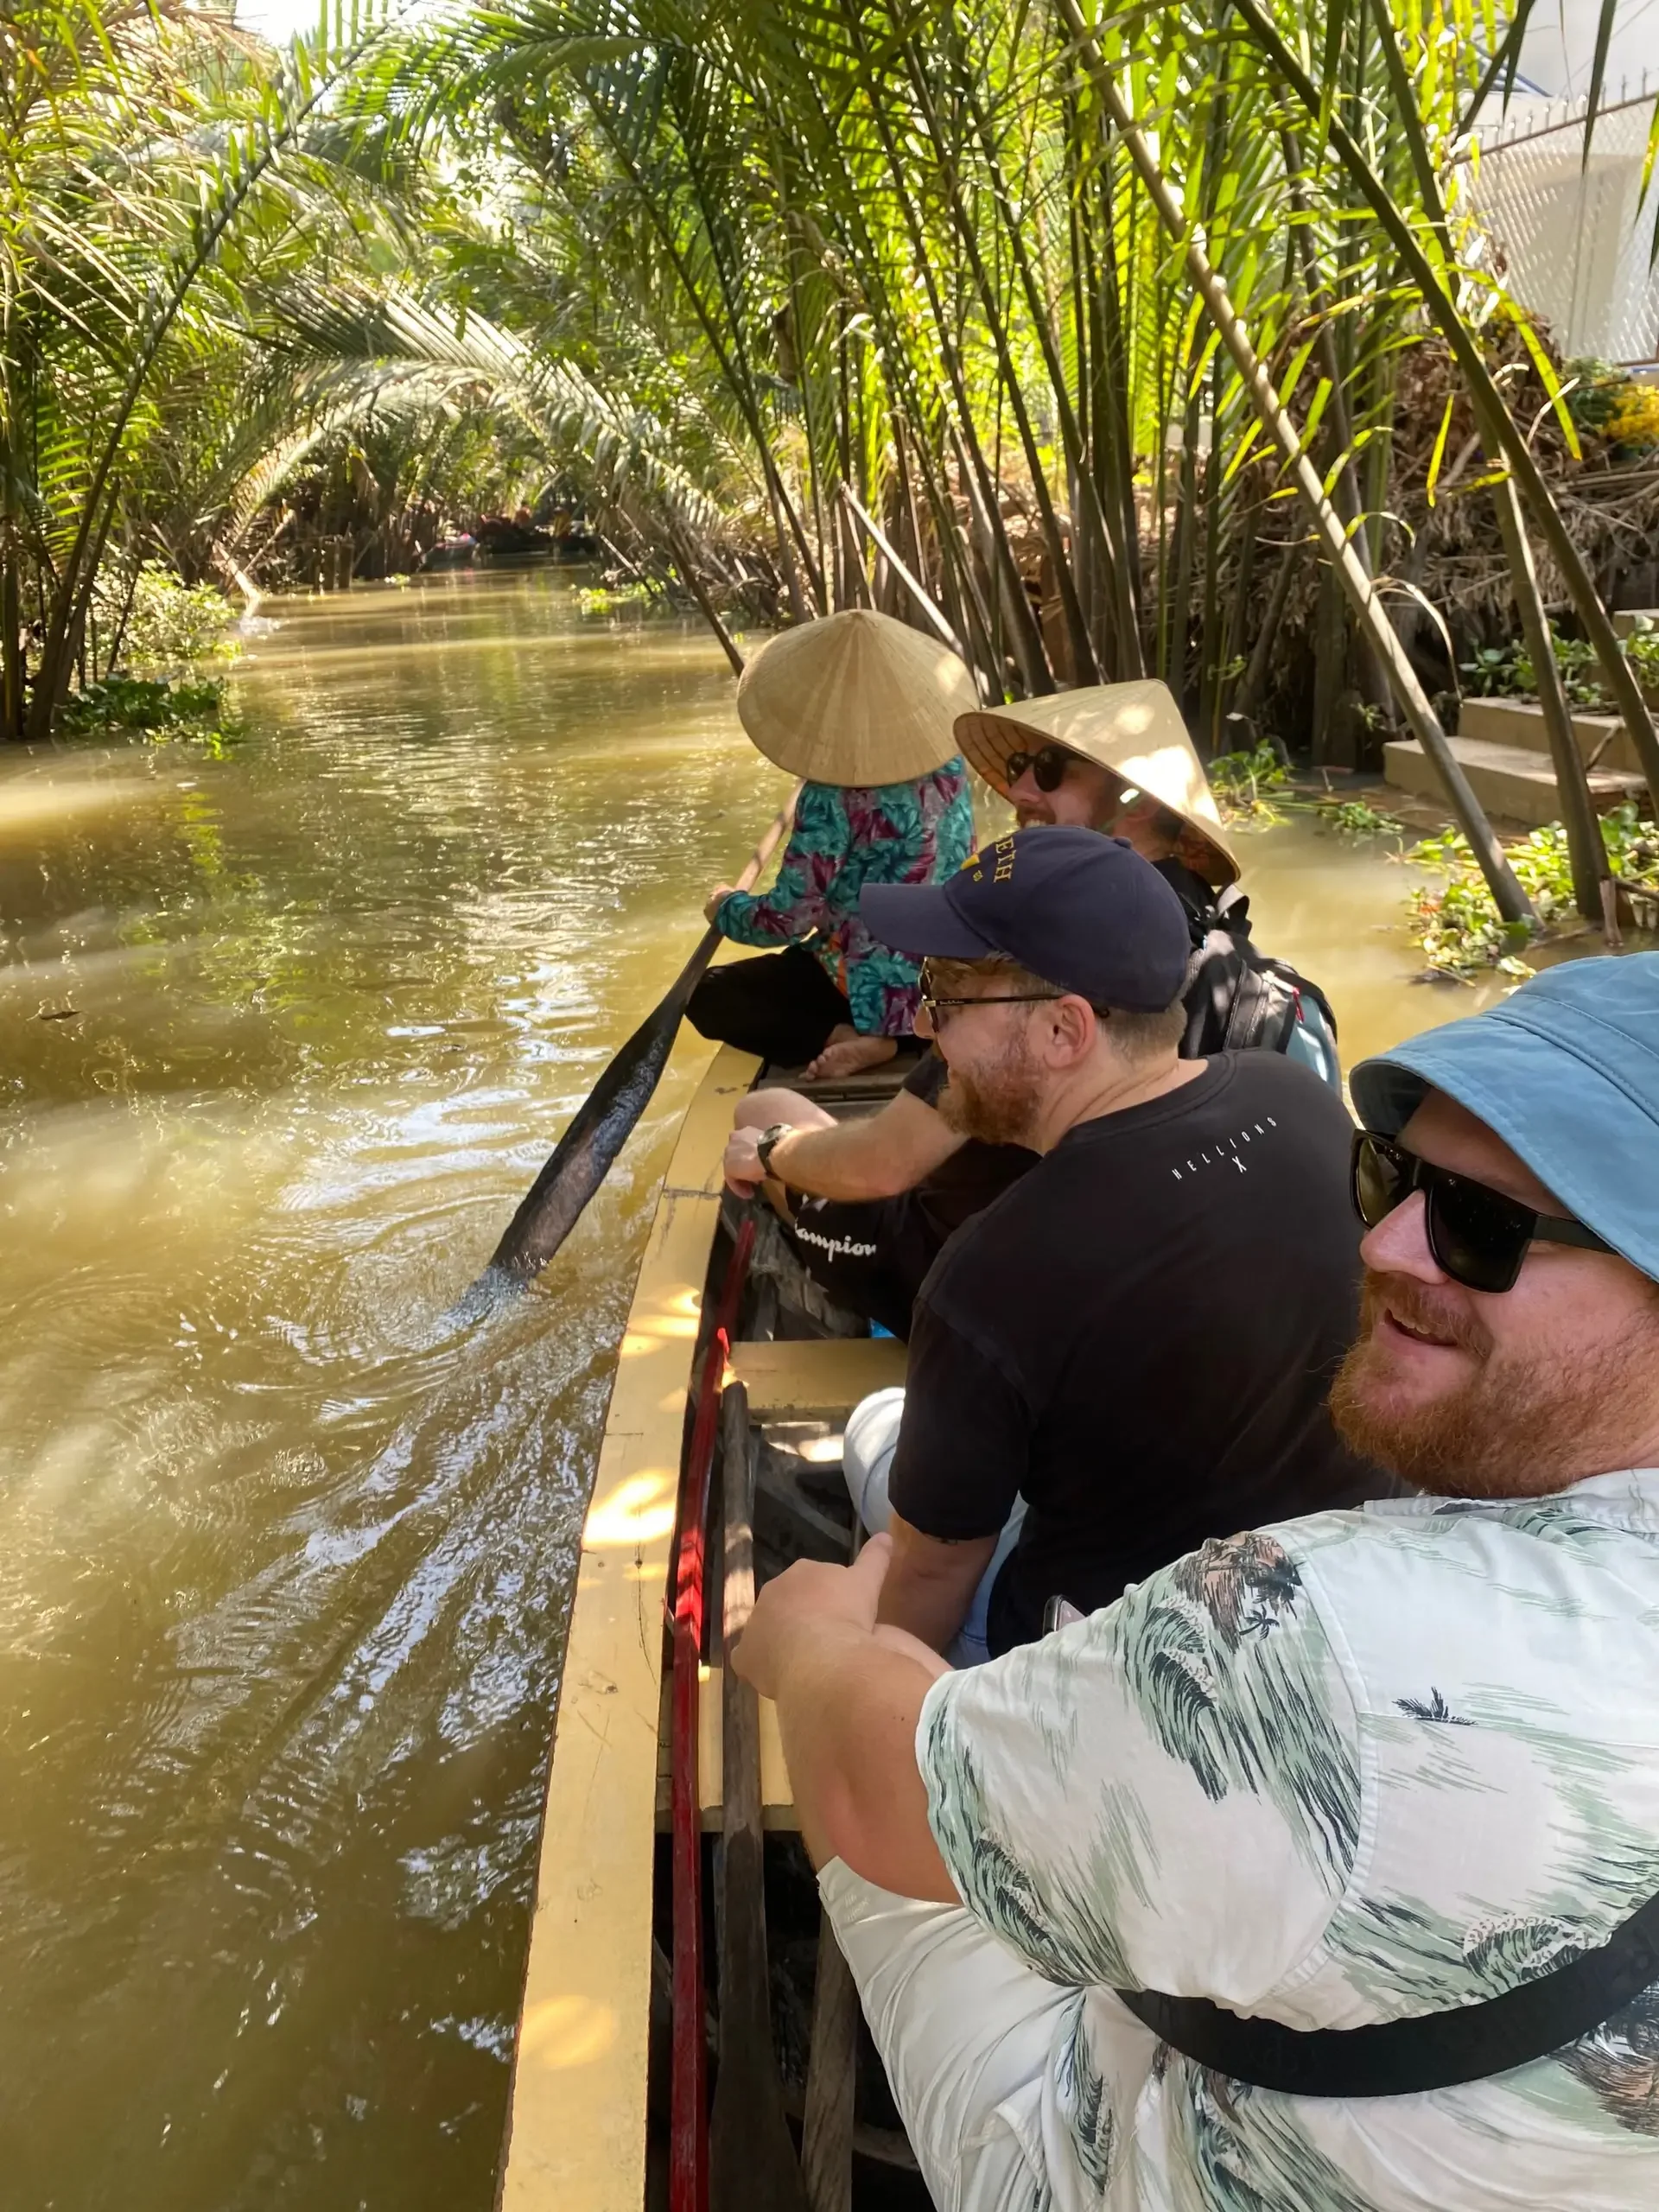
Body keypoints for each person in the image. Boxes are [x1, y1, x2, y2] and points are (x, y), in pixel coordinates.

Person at [732, 952, 1659, 2212]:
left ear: (1067, 1029)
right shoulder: (1273, 1098)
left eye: (1482, 1227)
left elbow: (869, 1791)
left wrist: (818, 1644)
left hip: (1120, 2154)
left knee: (870, 1695)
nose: (1382, 1244)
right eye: (1391, 1176)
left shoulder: (1322, 1640)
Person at [826, 823, 1376, 1662]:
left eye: (946, 993)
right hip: (1331, 1597)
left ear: (1064, 1030)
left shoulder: (989, 1274)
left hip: (1125, 1659)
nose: (930, 1029)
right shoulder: (1294, 1096)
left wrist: (872, 1689)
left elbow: (934, 1575)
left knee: (873, 1427)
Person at [722, 678, 1333, 1335]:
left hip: (977, 1272)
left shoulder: (1050, 955)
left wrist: (775, 1151)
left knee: (762, 1112)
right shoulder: (1259, 978)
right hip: (1131, 1278)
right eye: (1017, 769)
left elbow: (885, 1164)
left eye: (1046, 772)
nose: (1017, 793)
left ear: (1133, 800)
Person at [686, 609, 977, 1080]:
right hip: (946, 973)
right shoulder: (949, 765)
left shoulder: (831, 795)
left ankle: (849, 1035)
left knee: (706, 994)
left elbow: (785, 920)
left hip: (867, 981)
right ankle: (900, 1032)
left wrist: (724, 906)